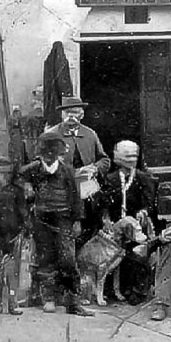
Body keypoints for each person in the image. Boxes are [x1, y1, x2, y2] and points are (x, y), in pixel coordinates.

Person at [18, 131, 94, 316]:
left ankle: (73, 301)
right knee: (46, 259)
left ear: (59, 153)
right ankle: (48, 298)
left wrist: (77, 220)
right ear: (41, 153)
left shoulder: (67, 170)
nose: (50, 156)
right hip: (41, 220)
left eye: (54, 152)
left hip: (64, 220)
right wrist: (26, 186)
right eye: (47, 152)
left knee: (68, 259)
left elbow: (76, 197)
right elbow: (18, 178)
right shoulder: (33, 169)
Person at [45, 96, 111, 244]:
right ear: (61, 114)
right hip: (62, 196)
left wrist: (94, 169)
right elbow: (43, 164)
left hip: (88, 194)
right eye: (67, 112)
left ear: (81, 115)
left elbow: (105, 160)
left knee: (91, 232)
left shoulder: (90, 134)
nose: (71, 116)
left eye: (74, 112)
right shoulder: (52, 135)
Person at [100, 140, 159, 304]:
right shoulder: (110, 179)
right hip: (115, 226)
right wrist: (106, 219)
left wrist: (144, 211)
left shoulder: (144, 179)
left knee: (137, 254)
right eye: (127, 155)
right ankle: (110, 290)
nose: (131, 159)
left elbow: (151, 203)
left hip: (138, 227)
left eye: (134, 155)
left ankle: (136, 291)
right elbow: (103, 204)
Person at [0, 155, 27, 317]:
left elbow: (23, 213)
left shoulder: (17, 192)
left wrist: (22, 230)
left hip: (14, 236)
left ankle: (13, 302)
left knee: (13, 271)